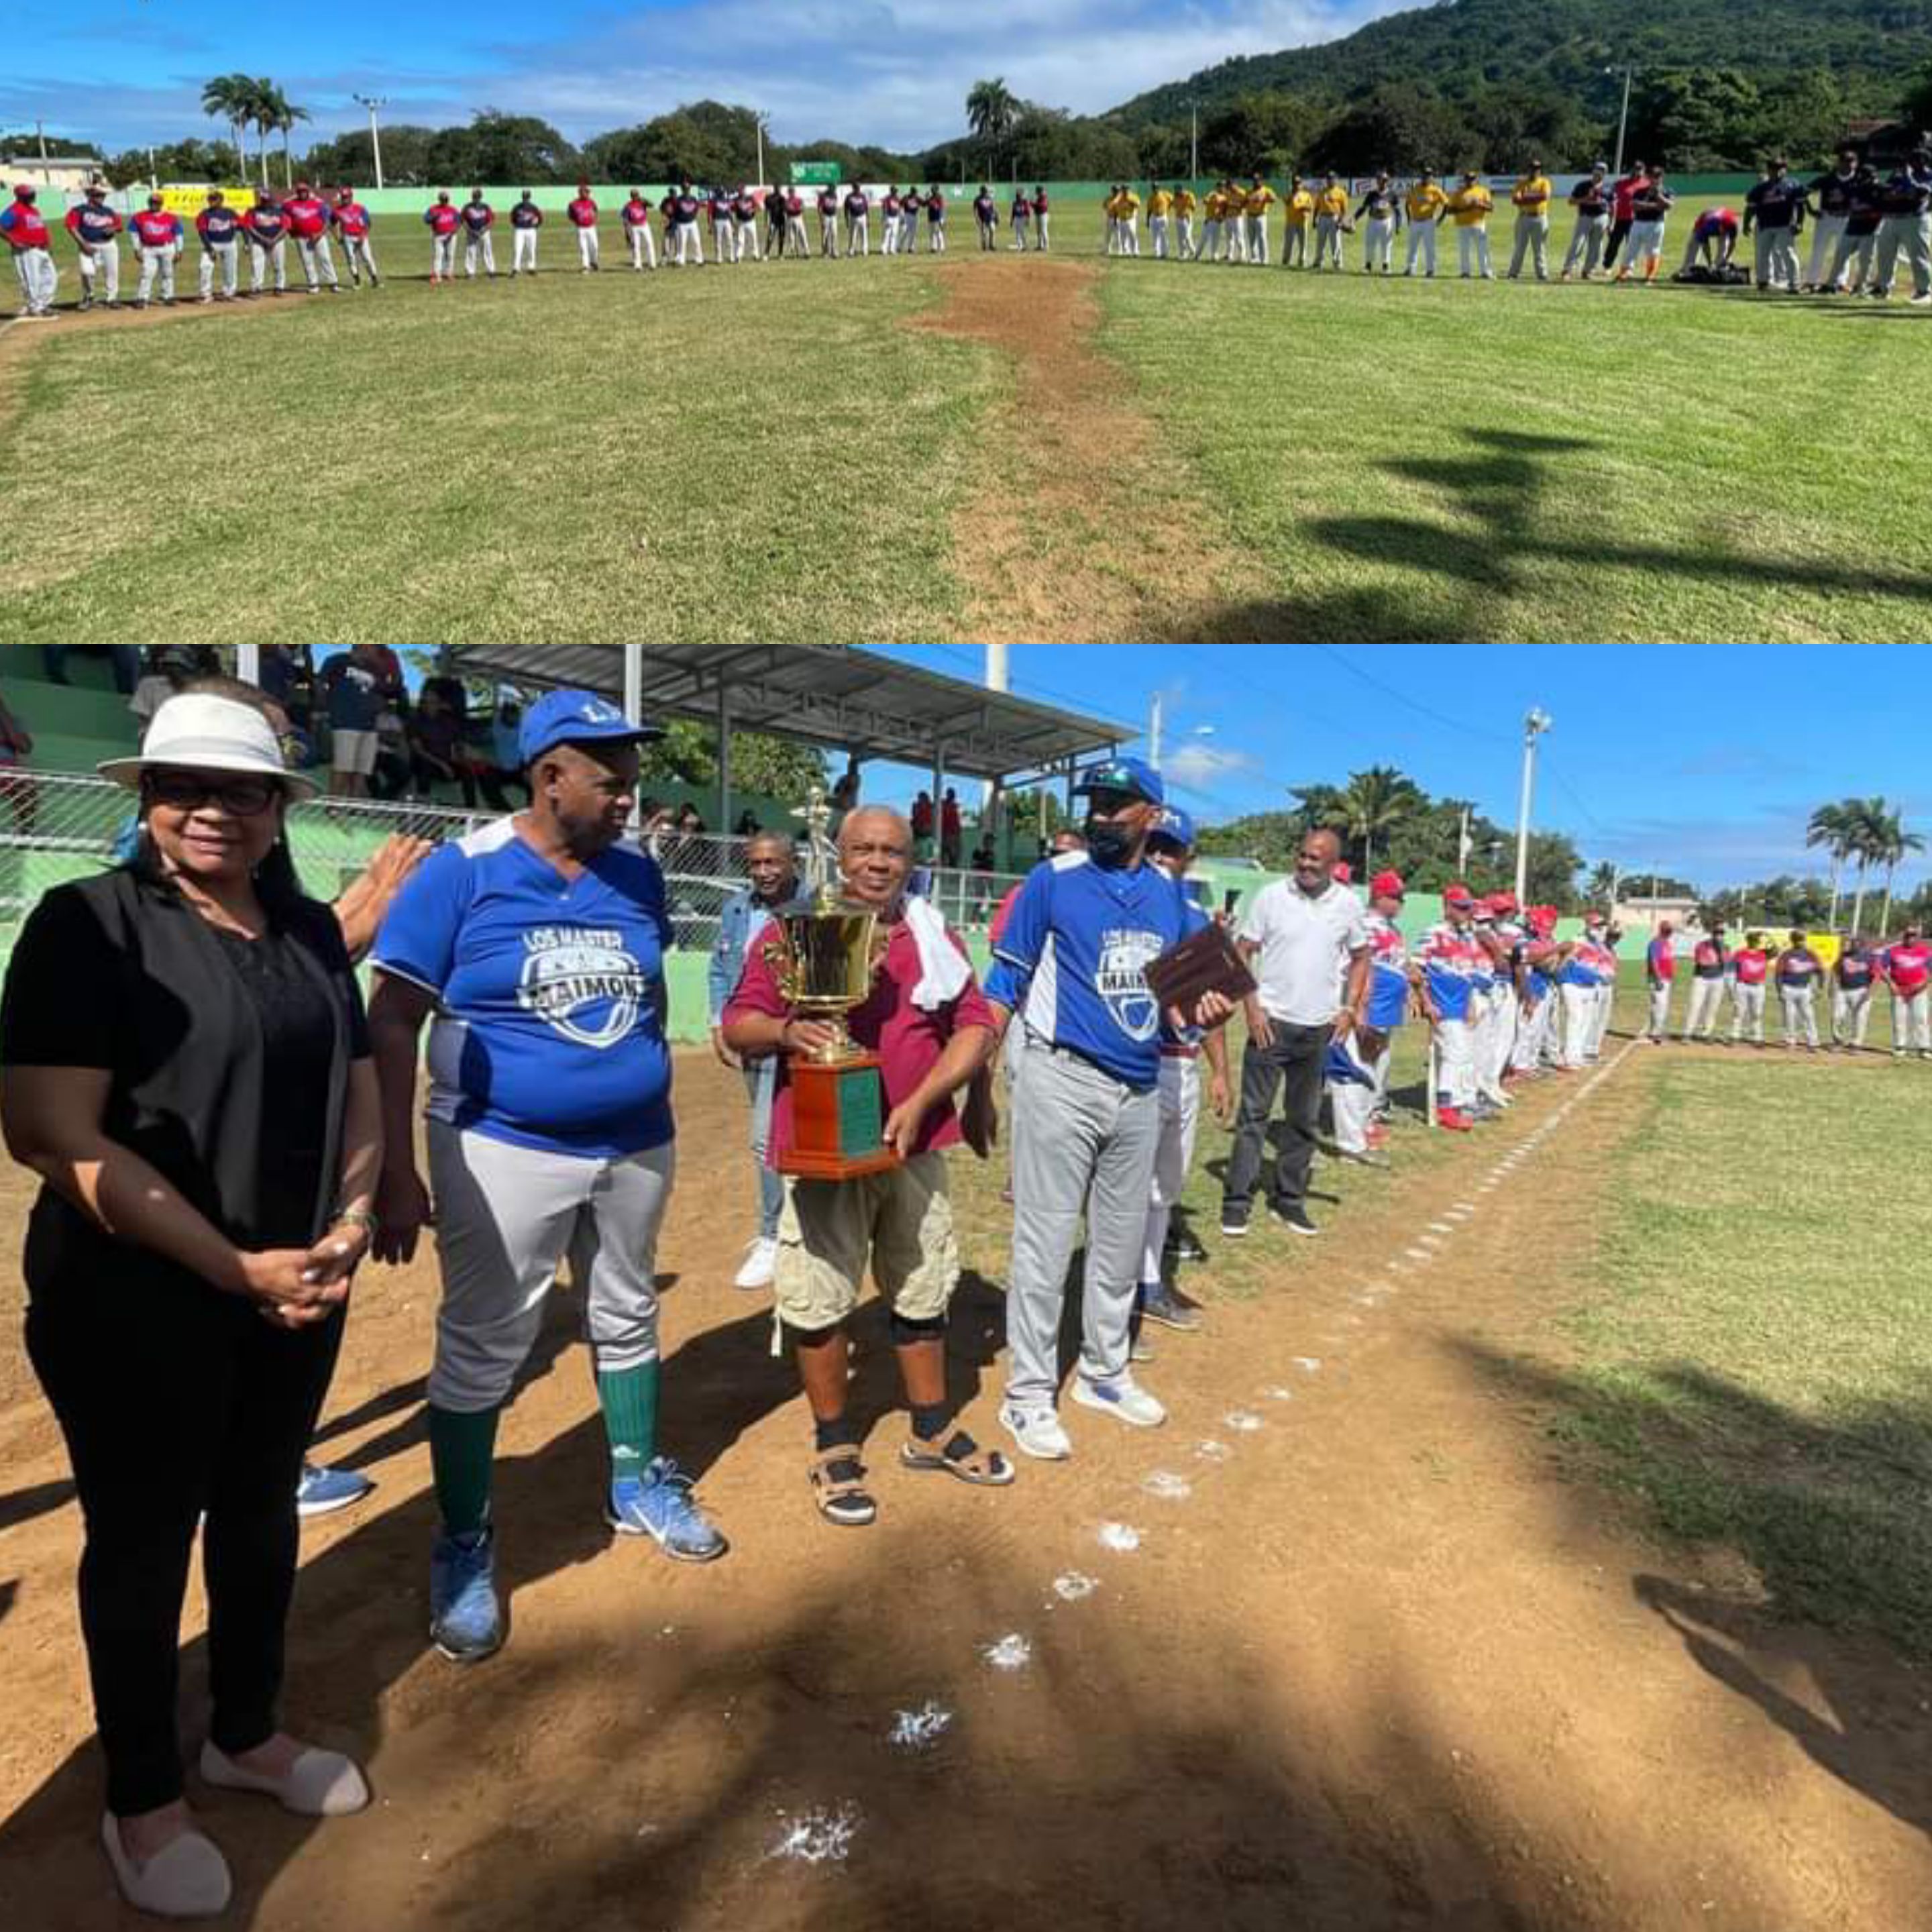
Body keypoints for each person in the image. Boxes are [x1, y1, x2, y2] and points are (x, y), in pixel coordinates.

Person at [0, 692, 379, 1919]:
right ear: (147, 797)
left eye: (241, 790)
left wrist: (349, 1223)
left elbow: (359, 1083)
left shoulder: (309, 928)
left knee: (261, 1509)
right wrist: (232, 1266)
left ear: (278, 807)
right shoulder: (86, 923)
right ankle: (143, 1798)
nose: (212, 809)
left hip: (293, 1287)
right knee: (145, 1536)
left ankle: (245, 1734)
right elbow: (49, 1131)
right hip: (133, 1298)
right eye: (183, 787)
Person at [369, 689, 726, 1666]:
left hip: (635, 1142)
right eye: (612, 783)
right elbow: (391, 1019)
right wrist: (396, 1167)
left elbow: (644, 1000)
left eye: (632, 782)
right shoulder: (464, 871)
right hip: (501, 1144)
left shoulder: (637, 874)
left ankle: (634, 1480)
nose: (629, 799)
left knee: (627, 1312)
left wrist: (632, 1082)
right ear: (550, 776)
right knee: (485, 1343)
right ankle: (465, 1538)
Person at [723, 806, 1003, 1522]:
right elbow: (737, 1025)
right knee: (819, 1294)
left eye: (893, 852)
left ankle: (930, 1427)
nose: (878, 863)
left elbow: (975, 1025)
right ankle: (834, 1443)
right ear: (839, 856)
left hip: (915, 1144)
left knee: (923, 1285)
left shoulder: (933, 934)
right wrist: (788, 1030)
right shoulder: (795, 931)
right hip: (827, 1148)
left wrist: (930, 1099)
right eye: (864, 850)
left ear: (911, 861)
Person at [985, 757, 1232, 1459]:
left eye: (1116, 805)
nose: (1100, 815)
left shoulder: (1168, 897)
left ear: (1150, 815)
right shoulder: (1054, 879)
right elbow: (1005, 982)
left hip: (1141, 1087)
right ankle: (1028, 1393)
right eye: (1094, 802)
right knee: (1044, 1244)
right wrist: (978, 1076)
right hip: (1062, 1077)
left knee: (1120, 1244)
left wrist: (1205, 1011)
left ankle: (1103, 1372)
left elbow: (1183, 1004)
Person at [1220, 827, 1371, 1238]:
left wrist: (1349, 1008)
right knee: (1253, 1117)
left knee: (1303, 1120)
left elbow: (1361, 957)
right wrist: (1253, 1008)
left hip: (1318, 1030)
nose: (1305, 864)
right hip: (1270, 1025)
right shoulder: (1271, 896)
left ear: (1333, 865)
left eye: (1315, 859)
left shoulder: (1348, 904)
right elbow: (1242, 952)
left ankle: (1289, 1200)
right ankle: (1237, 1203)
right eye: (1302, 855)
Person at [1136, 810, 1233, 1334]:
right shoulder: (1122, 901)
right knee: (1127, 1186)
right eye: (1153, 844)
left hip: (1182, 1063)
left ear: (1187, 857)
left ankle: (1149, 1284)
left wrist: (1221, 1072)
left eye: (1170, 849)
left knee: (1165, 1185)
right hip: (1137, 1065)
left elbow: (1212, 1003)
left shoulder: (1195, 917)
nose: (1159, 856)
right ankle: (1125, 1290)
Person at [708, 833, 806, 1291]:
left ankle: (772, 1236)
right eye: (756, 863)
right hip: (749, 1038)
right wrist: (718, 1023)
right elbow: (718, 968)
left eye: (773, 862)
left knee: (766, 1139)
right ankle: (784, 1225)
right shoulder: (736, 908)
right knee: (770, 1135)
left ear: (793, 863)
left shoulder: (812, 908)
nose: (764, 871)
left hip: (791, 1039)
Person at [1326, 867, 1413, 1167]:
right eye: (1396, 897)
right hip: (1365, 1010)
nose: (1401, 903)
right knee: (1355, 1072)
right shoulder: (1364, 924)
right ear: (1379, 896)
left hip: (1386, 1010)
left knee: (1375, 1071)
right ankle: (1352, 1142)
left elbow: (1397, 966)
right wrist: (1359, 1010)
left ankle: (1364, 1126)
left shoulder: (1392, 930)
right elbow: (1358, 969)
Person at [1418, 883, 1483, 1130]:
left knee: (1462, 1055)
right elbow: (1416, 968)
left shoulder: (1466, 937)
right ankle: (1446, 1107)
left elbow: (1467, 975)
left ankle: (1455, 1103)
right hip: (1442, 1004)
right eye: (1461, 907)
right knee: (1454, 1054)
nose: (1466, 912)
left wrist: (1470, 1004)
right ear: (1447, 907)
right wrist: (1426, 1002)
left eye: (1468, 908)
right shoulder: (1433, 933)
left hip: (1461, 1005)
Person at [317, 645, 386, 798]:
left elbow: (381, 692)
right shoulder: (337, 660)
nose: (377, 649)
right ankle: (333, 806)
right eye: (374, 646)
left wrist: (378, 704)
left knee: (362, 771)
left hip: (369, 726)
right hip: (346, 723)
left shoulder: (374, 669)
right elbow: (320, 683)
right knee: (343, 768)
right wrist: (328, 708)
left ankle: (352, 806)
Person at [1868, 147, 1932, 305]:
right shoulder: (1898, 174)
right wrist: (1900, 194)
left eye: (1916, 160)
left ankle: (1924, 291)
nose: (1911, 163)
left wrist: (1908, 180)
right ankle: (1884, 288)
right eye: (1910, 159)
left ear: (1924, 161)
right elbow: (1887, 192)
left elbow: (1920, 193)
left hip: (1914, 220)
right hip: (1891, 219)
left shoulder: (1928, 175)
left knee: (1918, 257)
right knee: (1885, 255)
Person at [1807, 146, 1865, 290]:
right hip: (1826, 217)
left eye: (1851, 161)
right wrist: (1810, 210)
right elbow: (1803, 193)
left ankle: (1840, 282)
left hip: (1846, 218)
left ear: (1856, 163)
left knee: (1843, 251)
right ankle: (1812, 281)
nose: (1847, 164)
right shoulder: (1827, 179)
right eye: (1844, 161)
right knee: (1818, 250)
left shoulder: (1859, 180)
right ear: (1838, 163)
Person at [1743, 157, 1805, 292]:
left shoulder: (1793, 185)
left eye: (1780, 169)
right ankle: (1763, 281)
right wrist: (1746, 224)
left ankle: (1794, 283)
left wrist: (1799, 223)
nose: (1776, 172)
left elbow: (1800, 206)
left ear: (1785, 170)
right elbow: (1751, 208)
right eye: (1773, 169)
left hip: (1784, 225)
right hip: (1764, 225)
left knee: (1788, 254)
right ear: (1768, 170)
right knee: (1762, 255)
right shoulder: (1760, 188)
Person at [1822, 166, 1886, 295]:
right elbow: (1847, 206)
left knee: (1865, 261)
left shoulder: (1879, 190)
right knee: (1840, 256)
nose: (1862, 179)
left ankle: (1861, 287)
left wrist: (1863, 214)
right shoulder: (1855, 189)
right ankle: (1831, 284)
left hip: (1870, 229)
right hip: (1852, 228)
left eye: (1866, 176)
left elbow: (1881, 212)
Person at [3, 182, 60, 322]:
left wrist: (48, 242)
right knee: (32, 280)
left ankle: (44, 304)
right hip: (27, 250)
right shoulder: (14, 210)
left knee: (51, 277)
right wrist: (13, 241)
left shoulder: (34, 210)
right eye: (30, 195)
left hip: (42, 249)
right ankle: (35, 307)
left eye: (32, 194)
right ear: (20, 196)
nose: (33, 196)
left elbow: (41, 227)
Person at [66, 180, 123, 311]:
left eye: (103, 195)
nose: (101, 198)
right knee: (87, 272)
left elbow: (119, 226)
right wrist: (83, 244)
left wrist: (113, 229)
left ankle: (112, 298)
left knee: (112, 273)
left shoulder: (109, 211)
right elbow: (71, 227)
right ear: (90, 195)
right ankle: (89, 296)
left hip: (108, 244)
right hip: (89, 244)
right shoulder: (79, 210)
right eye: (98, 195)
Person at [1615, 168, 1674, 284]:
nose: (1654, 180)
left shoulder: (1667, 191)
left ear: (1662, 178)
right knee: (1631, 249)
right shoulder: (1641, 191)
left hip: (1656, 224)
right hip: (1638, 223)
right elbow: (1634, 205)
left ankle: (1650, 275)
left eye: (1657, 177)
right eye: (1652, 177)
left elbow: (1669, 205)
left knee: (1653, 250)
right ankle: (1625, 272)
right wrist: (1655, 206)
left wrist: (1658, 196)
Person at [1881, 922, 1932, 1055]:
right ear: (1903, 936)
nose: (1910, 938)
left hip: (1919, 991)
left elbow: (1931, 972)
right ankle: (1900, 1045)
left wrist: (1923, 984)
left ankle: (1924, 1047)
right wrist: (1891, 984)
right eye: (1908, 935)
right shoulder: (1892, 951)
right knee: (1899, 1018)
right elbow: (1882, 969)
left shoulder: (1926, 951)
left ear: (1918, 937)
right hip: (1899, 990)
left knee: (1921, 1018)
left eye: (1913, 935)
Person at [129, 193, 184, 309]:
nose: (154, 204)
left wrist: (179, 250)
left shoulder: (171, 217)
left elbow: (178, 234)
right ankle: (142, 298)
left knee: (168, 273)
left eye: (157, 203)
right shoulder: (139, 217)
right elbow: (134, 234)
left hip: (167, 247)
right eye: (152, 202)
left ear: (161, 204)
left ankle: (167, 296)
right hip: (149, 248)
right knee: (147, 273)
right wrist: (137, 249)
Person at [282, 181, 338, 294]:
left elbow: (327, 221)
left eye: (304, 191)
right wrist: (291, 232)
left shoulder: (318, 204)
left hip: (319, 236)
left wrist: (319, 234)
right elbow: (283, 214)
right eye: (300, 191)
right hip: (301, 237)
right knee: (307, 261)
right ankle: (313, 284)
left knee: (325, 259)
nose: (302, 193)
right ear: (297, 193)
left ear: (308, 192)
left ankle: (333, 283)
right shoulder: (290, 205)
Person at [1774, 928, 1823, 1049]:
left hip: (1805, 989)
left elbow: (1821, 971)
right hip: (1788, 988)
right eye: (1797, 939)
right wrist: (1779, 991)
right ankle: (1790, 1041)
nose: (1800, 942)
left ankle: (1813, 1041)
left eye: (1801, 939)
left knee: (1808, 1015)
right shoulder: (1786, 955)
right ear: (1792, 940)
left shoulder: (1811, 954)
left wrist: (1820, 988)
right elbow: (1778, 974)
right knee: (1789, 1016)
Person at [1561, 164, 1612, 279]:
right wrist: (1586, 199)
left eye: (1602, 171)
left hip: (1602, 218)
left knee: (1596, 247)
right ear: (1593, 171)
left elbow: (1613, 205)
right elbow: (1571, 201)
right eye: (1597, 170)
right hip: (1585, 217)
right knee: (1578, 244)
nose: (1599, 173)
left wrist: (1611, 222)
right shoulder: (1583, 185)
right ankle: (1567, 270)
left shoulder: (1608, 187)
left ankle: (1588, 271)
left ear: (1605, 173)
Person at [1507, 158, 1552, 280]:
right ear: (1529, 169)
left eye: (1537, 169)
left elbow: (1544, 196)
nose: (1535, 171)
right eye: (1532, 168)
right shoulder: (1522, 183)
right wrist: (1534, 198)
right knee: (1519, 247)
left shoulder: (1544, 182)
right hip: (1524, 217)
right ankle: (1513, 272)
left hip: (1540, 217)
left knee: (1539, 248)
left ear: (1540, 170)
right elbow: (1515, 200)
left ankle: (1542, 273)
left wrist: (1525, 197)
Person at [1681, 922, 1728, 1040]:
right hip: (1701, 979)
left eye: (1721, 933)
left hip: (1717, 979)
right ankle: (1687, 1033)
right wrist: (1717, 961)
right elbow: (1702, 962)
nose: (1719, 936)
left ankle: (1706, 1033)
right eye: (1717, 933)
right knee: (1695, 1006)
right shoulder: (1702, 945)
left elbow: (1725, 962)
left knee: (1712, 1008)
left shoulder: (1726, 947)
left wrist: (1720, 950)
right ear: (1712, 934)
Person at [1444, 170, 1495, 279]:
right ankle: (1465, 272)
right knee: (1464, 250)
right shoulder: (1458, 193)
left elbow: (1491, 207)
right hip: (1463, 225)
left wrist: (1480, 205)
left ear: (1476, 180)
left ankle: (1486, 272)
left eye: (1472, 179)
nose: (1470, 181)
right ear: (1464, 180)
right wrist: (1466, 208)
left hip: (1479, 224)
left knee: (1483, 249)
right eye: (1468, 179)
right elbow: (1449, 210)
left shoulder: (1483, 191)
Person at [1830, 933, 1878, 1050]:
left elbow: (1876, 976)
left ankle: (1856, 1043)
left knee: (1860, 1018)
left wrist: (1870, 991)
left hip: (1861, 990)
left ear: (1862, 944)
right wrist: (1832, 985)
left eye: (1856, 942)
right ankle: (1838, 1041)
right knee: (1837, 1016)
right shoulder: (1844, 955)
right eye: (1852, 942)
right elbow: (1835, 970)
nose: (1853, 944)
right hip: (1843, 990)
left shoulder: (1869, 957)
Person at [1603, 159, 1649, 273]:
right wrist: (1610, 220)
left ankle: (1628, 267)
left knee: (1632, 245)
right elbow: (1610, 200)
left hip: (1636, 220)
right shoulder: (1620, 184)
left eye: (1640, 170)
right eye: (1636, 169)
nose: (1638, 172)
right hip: (1619, 219)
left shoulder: (1647, 184)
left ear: (1644, 171)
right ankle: (1607, 266)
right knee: (1613, 244)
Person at [331, 186, 380, 289]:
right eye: (343, 197)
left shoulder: (360, 208)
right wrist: (337, 237)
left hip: (361, 235)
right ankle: (357, 281)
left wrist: (363, 235)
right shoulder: (337, 211)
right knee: (351, 259)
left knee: (367, 258)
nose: (345, 199)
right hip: (347, 237)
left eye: (347, 197)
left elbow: (368, 223)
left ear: (351, 197)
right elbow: (332, 224)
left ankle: (374, 279)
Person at [1728, 931, 1770, 1046]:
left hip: (1759, 986)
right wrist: (1731, 987)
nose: (1756, 943)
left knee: (1757, 1012)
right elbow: (1731, 971)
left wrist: (1768, 937)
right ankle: (1735, 1035)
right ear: (1748, 941)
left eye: (1757, 941)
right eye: (1753, 941)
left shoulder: (1764, 954)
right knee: (1739, 1011)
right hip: (1743, 985)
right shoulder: (1740, 954)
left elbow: (1776, 950)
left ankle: (1757, 1037)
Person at [1355, 174, 1400, 274]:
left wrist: (1398, 225)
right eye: (1381, 180)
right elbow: (1364, 207)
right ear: (1377, 181)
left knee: (1386, 244)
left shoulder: (1392, 194)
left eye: (1385, 180)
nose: (1383, 182)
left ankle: (1386, 266)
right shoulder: (1372, 194)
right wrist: (1355, 218)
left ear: (1388, 181)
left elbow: (1397, 211)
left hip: (1386, 221)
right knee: (1370, 243)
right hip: (1373, 221)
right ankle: (1368, 266)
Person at [1404, 171, 1446, 276]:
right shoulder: (1415, 188)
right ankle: (1410, 269)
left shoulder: (1436, 190)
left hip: (1429, 221)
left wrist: (1441, 219)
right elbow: (1407, 204)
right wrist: (1409, 218)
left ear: (1432, 178)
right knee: (1412, 246)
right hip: (1415, 221)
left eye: (1429, 175)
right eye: (1424, 175)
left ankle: (1430, 269)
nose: (1426, 177)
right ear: (1421, 176)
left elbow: (1446, 204)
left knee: (1429, 247)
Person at [1678, 205, 1739, 276]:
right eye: (1722, 231)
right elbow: (1706, 247)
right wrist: (1710, 263)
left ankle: (1721, 266)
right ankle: (1688, 269)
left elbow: (1732, 243)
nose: (1722, 233)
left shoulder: (1732, 224)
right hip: (1703, 221)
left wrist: (1726, 258)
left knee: (1724, 244)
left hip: (1725, 217)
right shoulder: (1704, 227)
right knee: (1693, 245)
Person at [1643, 921, 1676, 1042]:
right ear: (1661, 930)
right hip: (1658, 978)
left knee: (1659, 1005)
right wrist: (1658, 978)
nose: (1669, 932)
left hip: (1666, 978)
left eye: (1670, 930)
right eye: (1667, 930)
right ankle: (1656, 1033)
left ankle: (1655, 1031)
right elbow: (1654, 961)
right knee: (1660, 1005)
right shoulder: (1656, 943)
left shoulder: (1667, 943)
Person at [1312, 174, 1350, 271]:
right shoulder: (1322, 192)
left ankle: (1338, 264)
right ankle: (1318, 262)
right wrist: (1314, 219)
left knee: (1336, 243)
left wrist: (1341, 221)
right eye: (1329, 179)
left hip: (1335, 218)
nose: (1330, 180)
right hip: (1323, 218)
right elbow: (1317, 207)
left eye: (1333, 179)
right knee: (1320, 242)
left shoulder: (1341, 192)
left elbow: (1344, 209)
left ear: (1336, 180)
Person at [423, 190, 460, 285]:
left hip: (451, 235)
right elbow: (426, 220)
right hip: (438, 235)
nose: (444, 201)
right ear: (440, 199)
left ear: (448, 200)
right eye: (443, 199)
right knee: (438, 255)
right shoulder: (433, 209)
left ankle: (449, 273)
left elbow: (458, 222)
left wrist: (454, 230)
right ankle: (437, 275)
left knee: (450, 255)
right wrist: (433, 217)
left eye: (446, 199)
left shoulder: (453, 210)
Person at [458, 189, 497, 279]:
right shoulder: (467, 207)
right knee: (471, 252)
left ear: (481, 197)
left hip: (484, 232)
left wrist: (484, 229)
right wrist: (469, 230)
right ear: (472, 197)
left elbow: (491, 220)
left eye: (478, 197)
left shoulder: (485, 207)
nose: (476, 198)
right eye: (475, 197)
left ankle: (491, 271)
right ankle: (470, 273)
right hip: (472, 232)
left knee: (487, 252)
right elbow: (462, 220)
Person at [566, 182, 601, 272]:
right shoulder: (574, 204)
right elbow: (570, 215)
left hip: (591, 227)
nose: (587, 194)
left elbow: (595, 211)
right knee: (583, 247)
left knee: (595, 246)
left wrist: (594, 219)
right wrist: (577, 222)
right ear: (580, 193)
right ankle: (585, 265)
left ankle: (594, 262)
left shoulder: (592, 202)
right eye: (585, 192)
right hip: (581, 228)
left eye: (587, 192)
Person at [1243, 172, 1275, 266]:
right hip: (1250, 216)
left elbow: (1273, 199)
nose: (1256, 181)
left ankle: (1264, 258)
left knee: (1262, 237)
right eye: (1254, 180)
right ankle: (1255, 258)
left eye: (1258, 180)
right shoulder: (1249, 190)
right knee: (1251, 238)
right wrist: (1247, 202)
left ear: (1261, 181)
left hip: (1260, 216)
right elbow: (1245, 201)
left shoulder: (1266, 190)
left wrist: (1265, 200)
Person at [619, 189, 655, 272]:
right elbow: (625, 219)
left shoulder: (642, 202)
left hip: (644, 225)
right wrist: (627, 232)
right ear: (631, 196)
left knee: (649, 243)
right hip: (634, 227)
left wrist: (645, 200)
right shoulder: (628, 205)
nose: (635, 196)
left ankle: (652, 264)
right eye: (634, 195)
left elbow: (652, 204)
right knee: (636, 246)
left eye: (636, 195)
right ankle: (638, 265)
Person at [508, 189, 543, 275]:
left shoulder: (534, 208)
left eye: (527, 196)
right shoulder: (517, 207)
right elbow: (512, 217)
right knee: (518, 249)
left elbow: (540, 218)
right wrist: (516, 225)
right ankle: (516, 268)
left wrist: (536, 226)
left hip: (531, 230)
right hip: (520, 230)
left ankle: (531, 268)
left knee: (531, 249)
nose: (525, 198)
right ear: (522, 197)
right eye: (524, 196)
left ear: (529, 197)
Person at [669, 182, 703, 266]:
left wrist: (695, 215)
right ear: (682, 189)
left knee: (696, 241)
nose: (687, 190)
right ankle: (681, 260)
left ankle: (699, 260)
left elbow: (697, 208)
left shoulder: (693, 198)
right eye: (685, 188)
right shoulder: (678, 200)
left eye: (688, 188)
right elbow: (673, 211)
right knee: (682, 243)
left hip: (692, 223)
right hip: (682, 224)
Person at [843, 182, 871, 256]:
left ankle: (864, 251)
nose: (858, 189)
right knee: (853, 235)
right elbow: (846, 209)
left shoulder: (863, 196)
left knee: (864, 235)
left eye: (858, 187)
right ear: (853, 188)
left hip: (863, 217)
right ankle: (851, 251)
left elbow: (866, 208)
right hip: (853, 217)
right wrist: (847, 219)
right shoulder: (849, 197)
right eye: (856, 187)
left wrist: (868, 219)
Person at [1146, 182, 1171, 259]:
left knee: (1164, 235)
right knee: (1155, 236)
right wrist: (1148, 220)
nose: (1155, 189)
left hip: (1163, 217)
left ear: (1159, 188)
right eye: (1153, 188)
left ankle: (1165, 253)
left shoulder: (1165, 195)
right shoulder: (1151, 198)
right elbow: (1149, 210)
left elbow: (1172, 201)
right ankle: (1157, 253)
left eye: (1156, 187)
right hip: (1154, 217)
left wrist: (1167, 209)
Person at [1173, 180, 1197, 260]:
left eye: (1177, 190)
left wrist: (1188, 213)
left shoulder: (1189, 195)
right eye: (1175, 190)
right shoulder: (1175, 197)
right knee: (1180, 238)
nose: (1176, 191)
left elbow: (1193, 206)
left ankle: (1193, 251)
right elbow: (1175, 206)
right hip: (1178, 218)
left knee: (1187, 237)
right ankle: (1183, 253)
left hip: (1187, 219)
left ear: (1181, 189)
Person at [939, 787, 962, 867]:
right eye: (950, 794)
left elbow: (957, 823)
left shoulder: (954, 807)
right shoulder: (943, 805)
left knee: (953, 856)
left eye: (953, 795)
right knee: (943, 854)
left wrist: (957, 836)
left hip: (953, 835)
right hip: (945, 834)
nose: (952, 797)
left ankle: (953, 867)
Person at [815, 183, 840, 257]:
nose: (834, 189)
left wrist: (836, 214)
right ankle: (825, 252)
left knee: (834, 234)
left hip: (833, 216)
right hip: (826, 216)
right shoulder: (823, 195)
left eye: (835, 188)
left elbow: (835, 205)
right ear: (829, 188)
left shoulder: (834, 195)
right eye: (833, 188)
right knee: (825, 235)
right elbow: (819, 208)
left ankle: (834, 251)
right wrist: (821, 219)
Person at [924, 184, 948, 254]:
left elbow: (941, 208)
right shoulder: (931, 198)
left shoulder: (939, 197)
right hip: (931, 218)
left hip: (937, 218)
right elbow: (925, 204)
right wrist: (926, 198)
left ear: (937, 190)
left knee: (938, 233)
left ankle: (941, 247)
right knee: (931, 234)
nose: (932, 191)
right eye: (932, 189)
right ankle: (934, 248)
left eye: (934, 189)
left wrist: (942, 219)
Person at [1008, 184, 1029, 250]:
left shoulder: (1025, 202)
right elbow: (1013, 213)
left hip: (1023, 218)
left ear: (1021, 196)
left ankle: (1025, 245)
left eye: (1019, 196)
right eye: (1017, 196)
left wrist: (1027, 220)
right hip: (1017, 218)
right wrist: (1011, 221)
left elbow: (1027, 211)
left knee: (1023, 233)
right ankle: (1020, 246)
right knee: (1017, 233)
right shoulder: (1014, 203)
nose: (1018, 197)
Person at [1031, 184, 1051, 251]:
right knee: (1039, 231)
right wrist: (1033, 204)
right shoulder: (1039, 197)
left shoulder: (1044, 197)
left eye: (1037, 191)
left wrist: (1033, 204)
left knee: (1044, 231)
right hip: (1038, 215)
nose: (1036, 192)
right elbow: (1036, 206)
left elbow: (1042, 206)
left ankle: (1046, 246)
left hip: (1043, 215)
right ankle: (1040, 245)